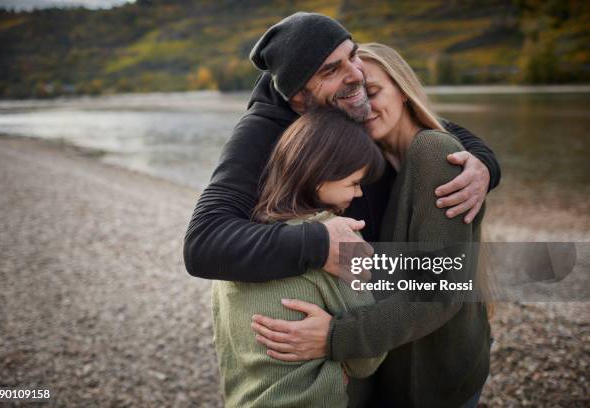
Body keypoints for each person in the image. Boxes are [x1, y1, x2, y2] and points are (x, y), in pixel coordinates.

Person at [251, 43, 493, 407]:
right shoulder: (371, 163)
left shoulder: (433, 153)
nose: (360, 106)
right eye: (351, 95)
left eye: (373, 92)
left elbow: (440, 291)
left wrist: (334, 336)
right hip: (394, 360)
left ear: (404, 91)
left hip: (436, 375)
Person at [183, 12, 501, 285]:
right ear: (297, 97)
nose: (356, 75)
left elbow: (425, 122)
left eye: (353, 55)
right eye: (331, 70)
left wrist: (484, 165)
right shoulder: (261, 132)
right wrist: (319, 242)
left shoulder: (343, 104)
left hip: (387, 292)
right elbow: (203, 244)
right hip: (334, 301)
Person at [212, 108, 388, 407]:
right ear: (321, 175)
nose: (359, 194)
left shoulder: (234, 246)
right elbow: (367, 359)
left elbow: (227, 342)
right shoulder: (338, 240)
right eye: (354, 182)